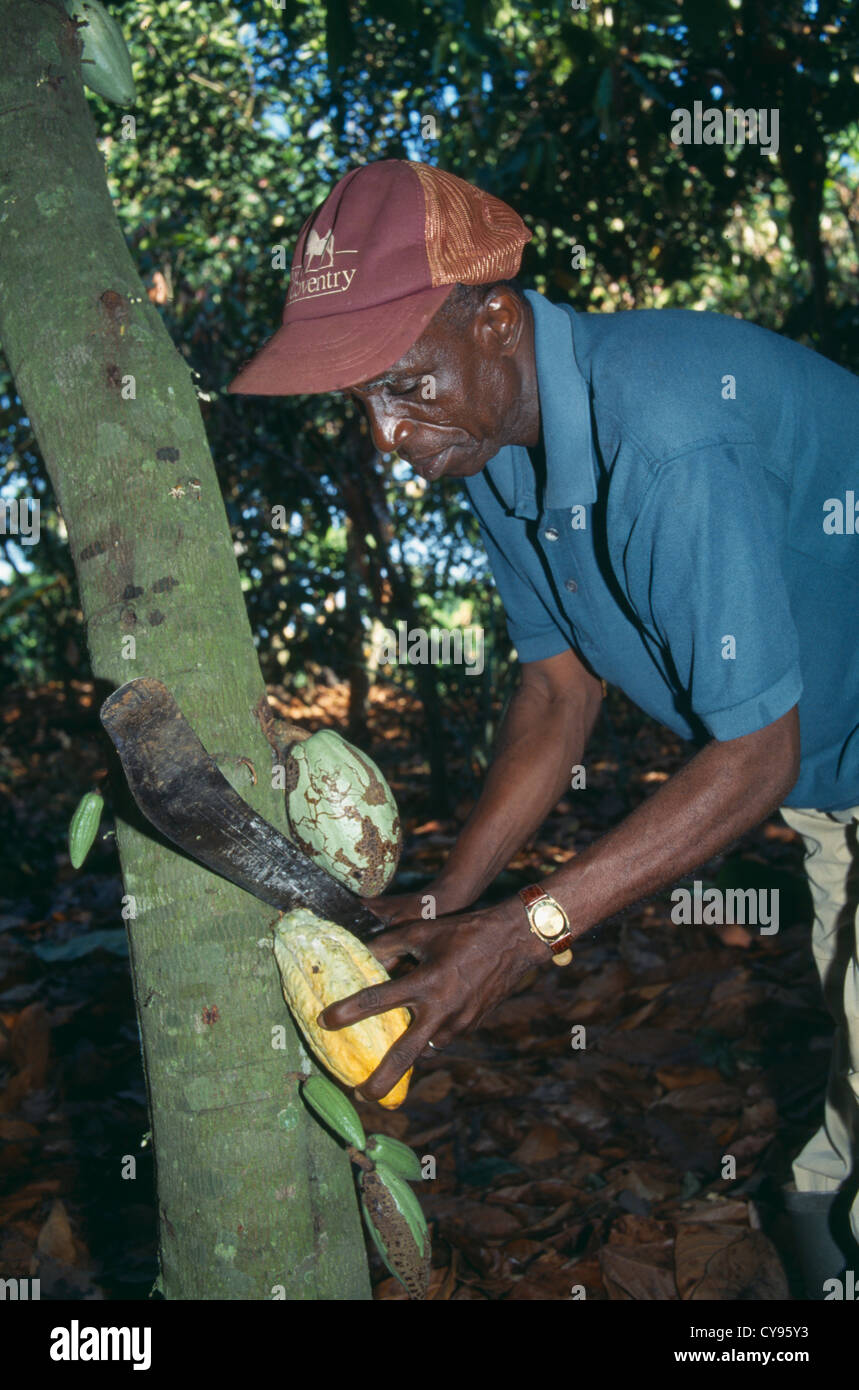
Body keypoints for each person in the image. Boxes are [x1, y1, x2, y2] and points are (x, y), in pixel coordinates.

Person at [229, 158, 859, 1296]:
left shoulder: (663, 433)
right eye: (360, 402)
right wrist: (454, 897)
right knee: (845, 1105)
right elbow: (557, 690)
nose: (385, 437)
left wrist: (528, 932)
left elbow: (752, 751)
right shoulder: (493, 449)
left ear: (496, 320)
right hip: (838, 782)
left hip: (806, 760)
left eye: (401, 385)